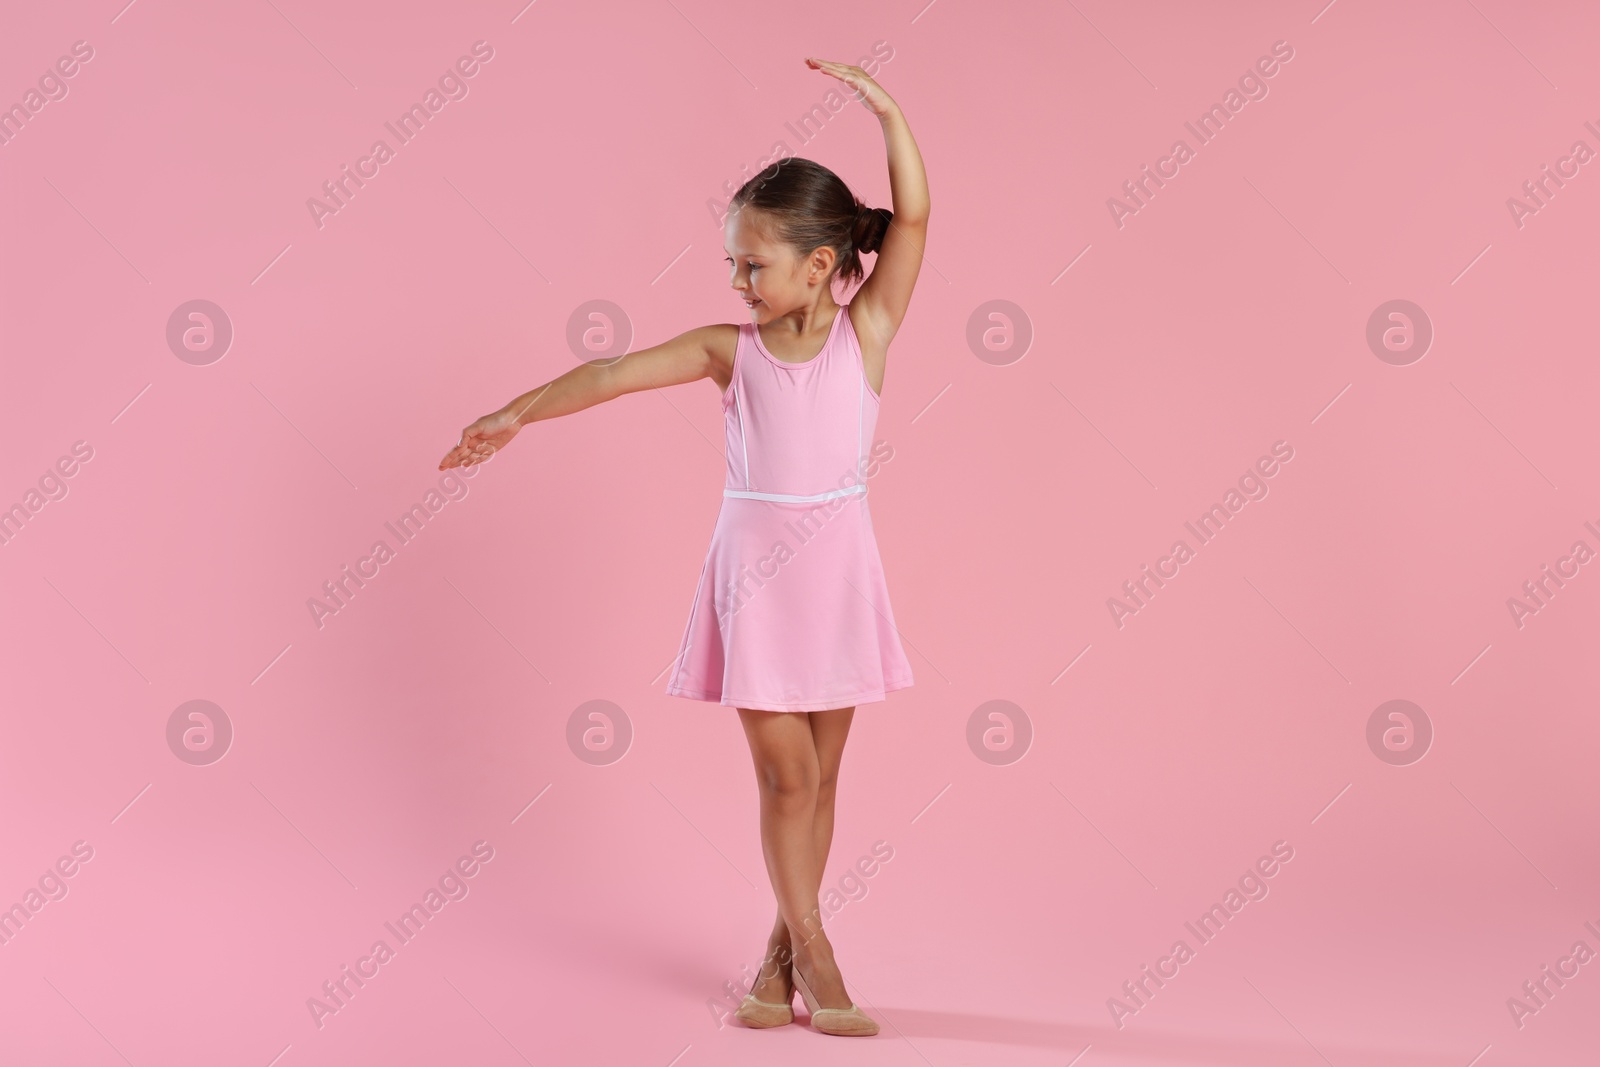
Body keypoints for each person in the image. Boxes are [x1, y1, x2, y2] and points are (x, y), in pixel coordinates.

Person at [439, 56, 929, 1038]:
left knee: (826, 777)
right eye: (732, 265)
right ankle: (817, 945)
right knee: (786, 776)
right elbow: (615, 371)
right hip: (756, 573)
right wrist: (516, 412)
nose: (739, 280)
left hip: (837, 569)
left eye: (755, 262)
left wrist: (884, 109)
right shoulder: (726, 349)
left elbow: (911, 220)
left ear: (821, 266)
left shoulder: (865, 332)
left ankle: (774, 952)